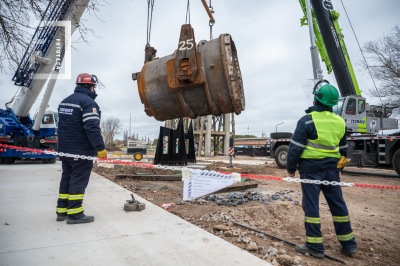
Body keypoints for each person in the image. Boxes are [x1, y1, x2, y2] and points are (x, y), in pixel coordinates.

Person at [286, 83, 357, 258]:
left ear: (316, 98)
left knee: (311, 205)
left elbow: (295, 148)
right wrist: (338, 168)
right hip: (332, 170)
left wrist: (290, 168)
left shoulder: (307, 120)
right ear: (333, 103)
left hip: (310, 171)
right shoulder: (340, 122)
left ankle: (315, 246)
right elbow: (344, 151)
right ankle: (348, 245)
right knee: (338, 204)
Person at [56, 73, 107, 224]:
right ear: (91, 87)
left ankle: (62, 211)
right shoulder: (88, 103)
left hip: (65, 149)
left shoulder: (64, 102)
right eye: (93, 87)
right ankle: (75, 213)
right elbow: (92, 127)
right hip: (81, 151)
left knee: (67, 178)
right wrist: (100, 148)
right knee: (78, 180)